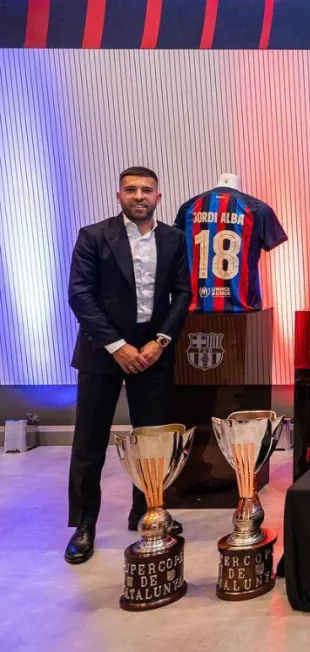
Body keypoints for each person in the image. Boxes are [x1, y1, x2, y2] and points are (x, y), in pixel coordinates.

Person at [65, 166, 191, 564]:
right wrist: (117, 346)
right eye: (131, 189)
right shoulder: (93, 236)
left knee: (150, 441)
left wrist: (160, 341)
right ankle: (84, 525)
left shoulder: (174, 238)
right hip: (102, 351)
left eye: (147, 190)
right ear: (119, 195)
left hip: (153, 352)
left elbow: (182, 294)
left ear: (158, 197)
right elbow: (80, 296)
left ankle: (147, 510)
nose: (139, 196)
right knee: (89, 442)